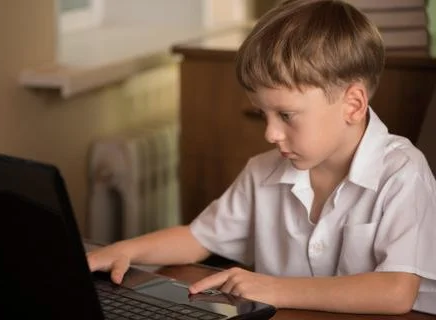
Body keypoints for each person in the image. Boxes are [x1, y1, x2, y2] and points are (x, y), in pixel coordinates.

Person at [87, 0, 436, 315]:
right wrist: (125, 249)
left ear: (353, 104)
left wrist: (273, 288)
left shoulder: (403, 173)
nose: (270, 134)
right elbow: (198, 238)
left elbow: (395, 292)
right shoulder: (263, 171)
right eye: (262, 114)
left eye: (285, 115)